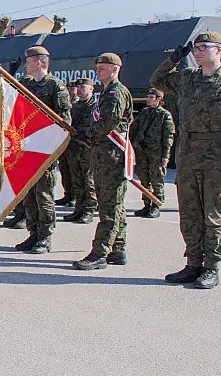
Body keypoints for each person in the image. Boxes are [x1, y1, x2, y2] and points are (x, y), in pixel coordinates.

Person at [151, 31, 221, 289]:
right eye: (195, 48)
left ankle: (211, 267)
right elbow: (157, 81)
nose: (198, 52)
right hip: (188, 155)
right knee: (190, 213)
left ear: (218, 50)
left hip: (217, 157)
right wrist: (174, 59)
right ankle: (193, 263)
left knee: (213, 213)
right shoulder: (187, 77)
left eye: (204, 47)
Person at [73, 53, 133, 270]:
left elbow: (108, 123)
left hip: (112, 156)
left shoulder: (116, 93)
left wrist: (87, 133)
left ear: (115, 69)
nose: (98, 71)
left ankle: (100, 253)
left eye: (102, 68)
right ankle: (118, 248)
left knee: (110, 207)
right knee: (113, 204)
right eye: (97, 67)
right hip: (103, 154)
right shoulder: (106, 92)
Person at [14, 46, 71, 254]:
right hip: (28, 147)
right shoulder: (27, 84)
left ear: (38, 63)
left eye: (28, 62)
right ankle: (33, 233)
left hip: (45, 150)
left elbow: (65, 120)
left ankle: (45, 237)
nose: (25, 66)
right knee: (29, 194)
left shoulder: (55, 86)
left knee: (43, 194)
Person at [129, 88, 175, 218]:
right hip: (142, 151)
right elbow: (134, 129)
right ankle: (147, 204)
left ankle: (156, 205)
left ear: (158, 99)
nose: (148, 99)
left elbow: (168, 138)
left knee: (156, 180)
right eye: (147, 97)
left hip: (156, 153)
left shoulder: (165, 115)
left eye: (151, 97)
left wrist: (166, 156)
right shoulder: (144, 112)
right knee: (144, 180)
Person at [62, 78, 98, 224]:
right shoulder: (74, 106)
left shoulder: (95, 107)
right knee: (76, 180)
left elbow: (96, 126)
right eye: (78, 88)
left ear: (91, 89)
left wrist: (85, 133)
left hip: (87, 148)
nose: (80, 90)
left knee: (88, 180)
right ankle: (78, 209)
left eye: (83, 87)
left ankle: (89, 210)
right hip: (74, 148)